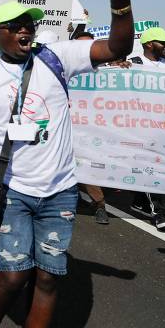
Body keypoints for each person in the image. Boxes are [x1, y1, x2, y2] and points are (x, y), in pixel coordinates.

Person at [0, 0, 136, 328]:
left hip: (60, 191)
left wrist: (120, 2)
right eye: (15, 24)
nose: (25, 29)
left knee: (49, 277)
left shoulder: (58, 57)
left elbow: (119, 47)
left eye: (29, 24)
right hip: (9, 190)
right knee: (14, 274)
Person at [128, 26, 165, 232]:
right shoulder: (133, 63)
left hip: (163, 126)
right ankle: (161, 213)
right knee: (155, 165)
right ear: (149, 44)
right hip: (142, 126)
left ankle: (139, 201)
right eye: (163, 43)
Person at [72, 31, 110, 225]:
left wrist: (122, 68)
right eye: (80, 45)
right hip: (67, 126)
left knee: (89, 166)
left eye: (89, 45)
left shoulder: (108, 70)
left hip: (94, 128)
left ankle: (99, 205)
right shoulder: (62, 67)